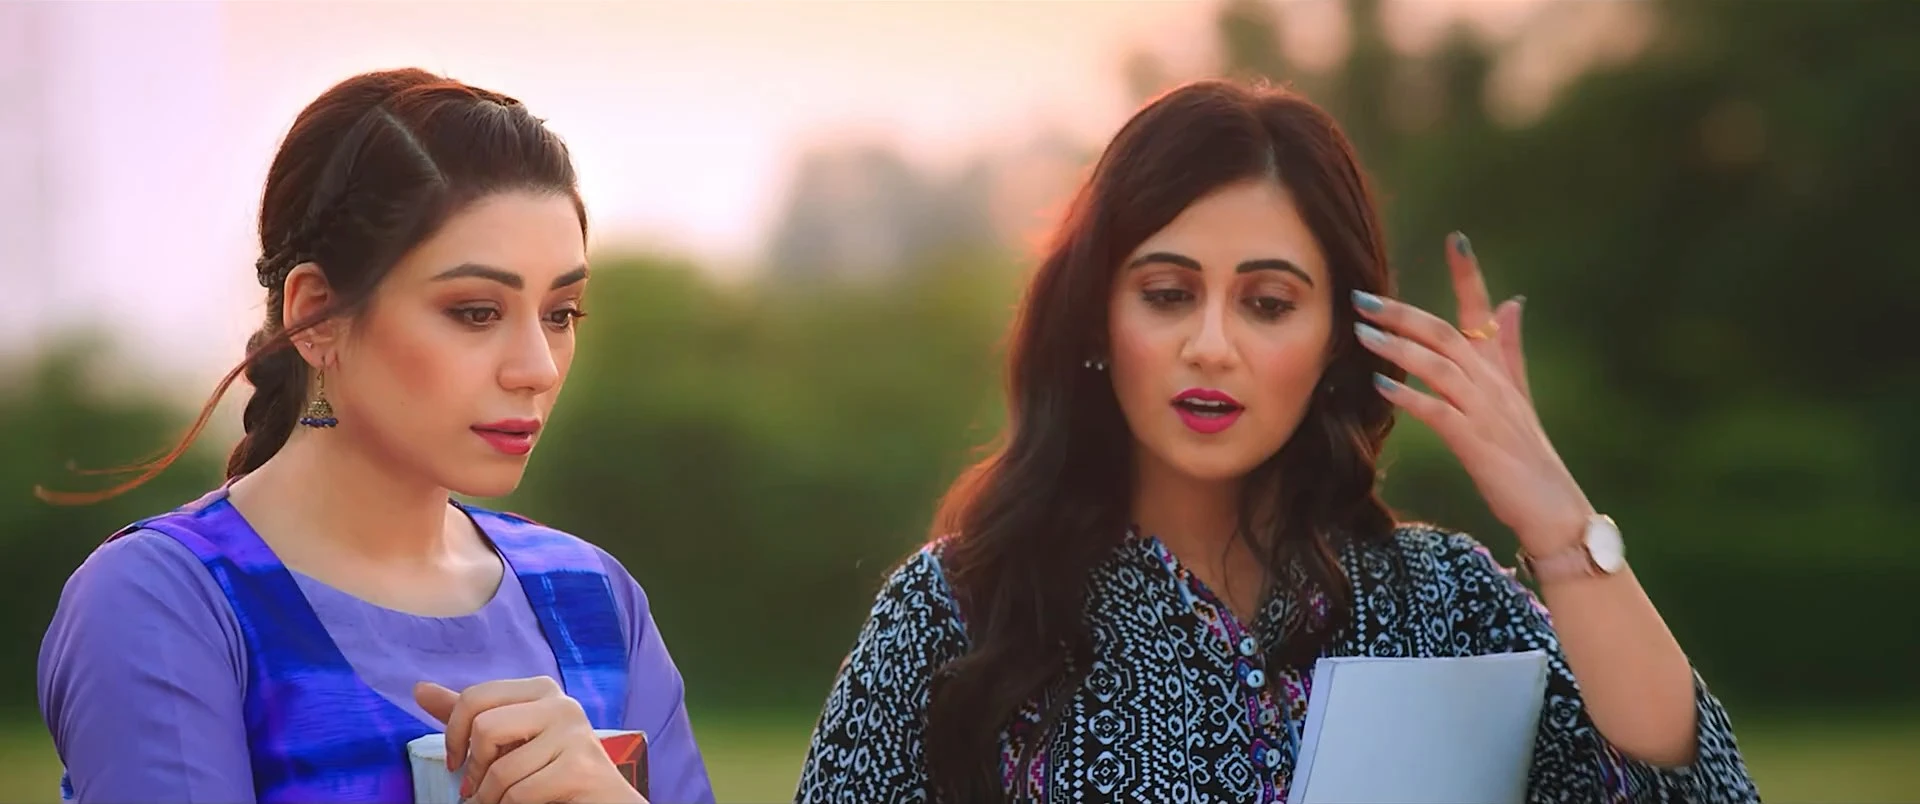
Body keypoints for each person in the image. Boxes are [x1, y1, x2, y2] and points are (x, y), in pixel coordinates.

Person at [794, 79, 1759, 803]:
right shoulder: (958, 609)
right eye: (1167, 294)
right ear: (1096, 318)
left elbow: (1700, 791)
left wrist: (1562, 527)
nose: (1211, 345)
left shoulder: (1445, 606)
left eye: (1267, 304)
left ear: (1336, 336)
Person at [36, 69, 714, 804]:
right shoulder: (166, 602)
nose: (537, 368)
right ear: (316, 315)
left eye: (561, 314)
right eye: (476, 312)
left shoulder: (594, 601)